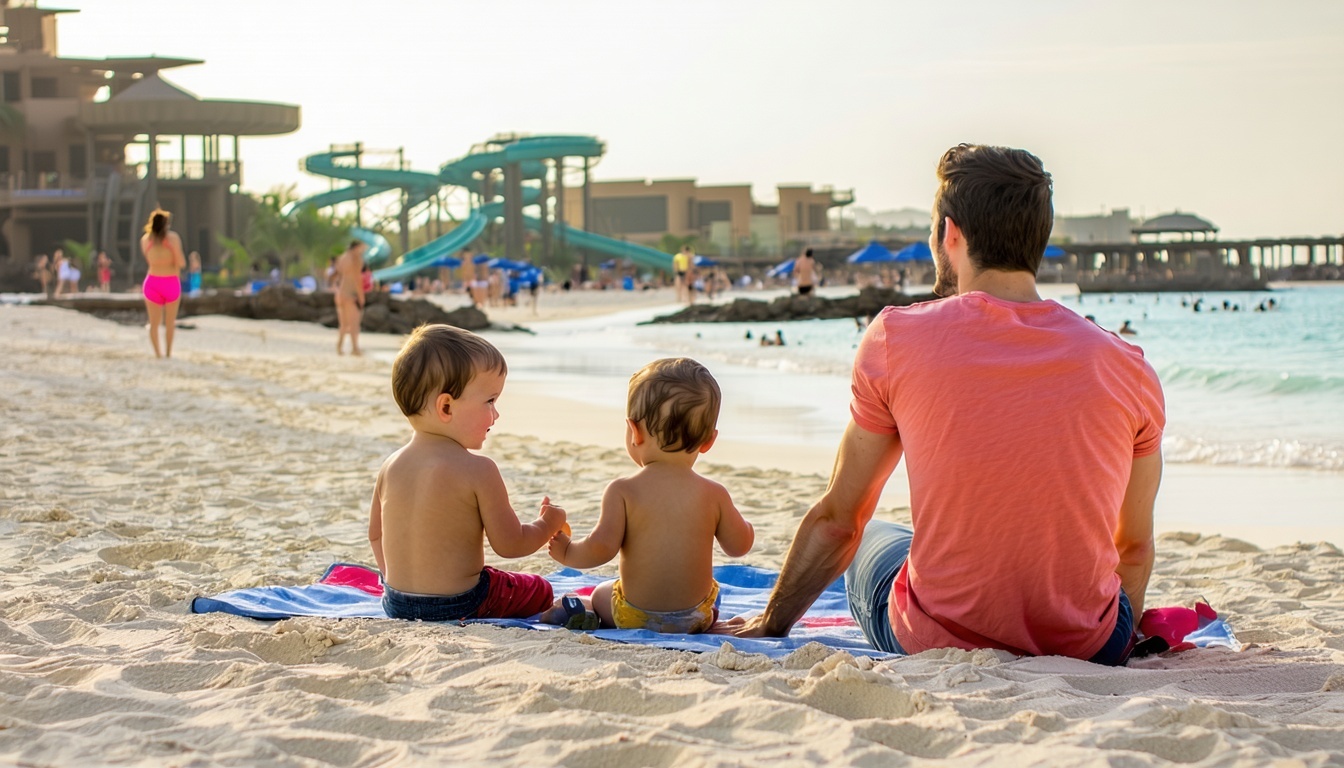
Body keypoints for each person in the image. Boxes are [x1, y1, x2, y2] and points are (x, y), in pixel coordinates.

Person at [721, 144, 1165, 667]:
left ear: (950, 234)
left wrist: (773, 622)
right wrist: (1106, 644)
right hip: (1086, 645)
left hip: (937, 637)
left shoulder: (897, 337)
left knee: (877, 536)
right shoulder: (1126, 363)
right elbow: (1133, 548)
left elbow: (841, 519)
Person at [369, 324, 567, 621]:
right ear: (446, 407)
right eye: (490, 401)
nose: (496, 414)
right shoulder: (479, 469)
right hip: (460, 603)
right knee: (538, 588)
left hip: (397, 603)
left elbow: (376, 535)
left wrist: (398, 585)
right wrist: (547, 524)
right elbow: (511, 544)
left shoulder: (391, 465)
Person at [542, 358, 754, 632]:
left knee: (601, 593)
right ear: (708, 441)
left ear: (634, 431)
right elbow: (739, 546)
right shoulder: (715, 494)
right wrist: (747, 528)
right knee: (713, 593)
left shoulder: (622, 490)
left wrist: (567, 551)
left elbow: (600, 549)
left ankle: (586, 610)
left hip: (635, 617)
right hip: (696, 617)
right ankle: (705, 623)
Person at [140, 209, 187, 358]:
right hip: (170, 282)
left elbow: (149, 260)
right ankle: (168, 353)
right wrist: (171, 250)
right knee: (170, 323)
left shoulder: (145, 240)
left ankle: (157, 354)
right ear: (166, 224)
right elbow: (181, 262)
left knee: (154, 323)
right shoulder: (173, 238)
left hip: (152, 281)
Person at [333, 240, 366, 356]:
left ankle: (339, 347)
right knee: (354, 323)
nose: (363, 250)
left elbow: (338, 276)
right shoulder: (356, 259)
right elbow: (357, 279)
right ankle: (355, 348)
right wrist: (361, 296)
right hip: (351, 294)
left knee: (343, 324)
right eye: (362, 248)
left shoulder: (342, 258)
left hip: (341, 292)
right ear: (356, 247)